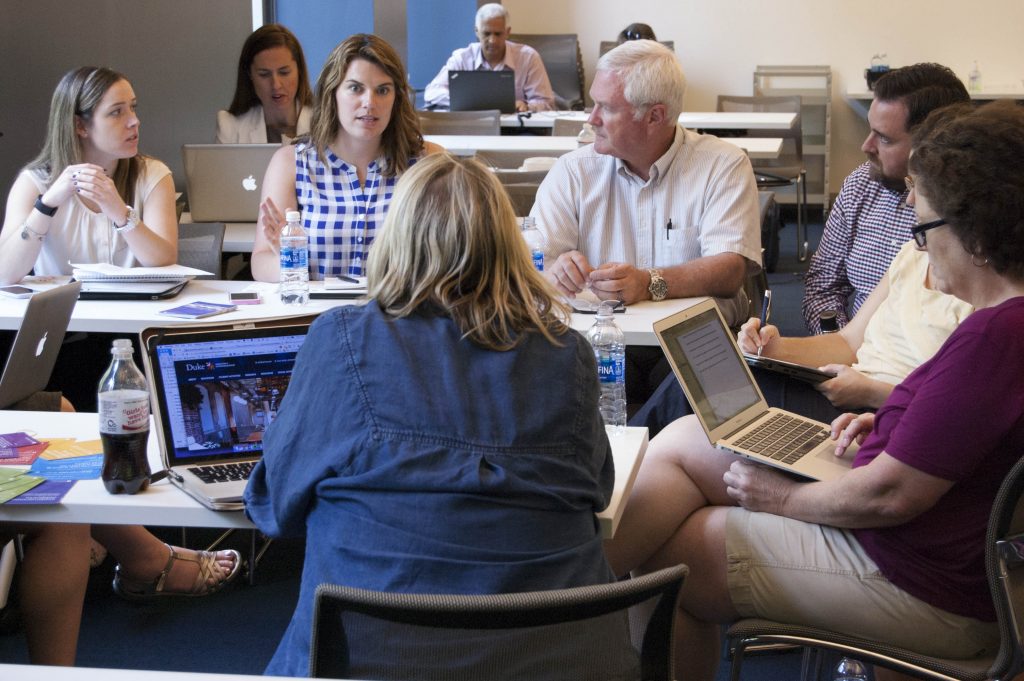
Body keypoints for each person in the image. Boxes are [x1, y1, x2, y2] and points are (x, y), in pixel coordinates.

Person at [604, 100, 1024, 681]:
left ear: (975, 231)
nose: (918, 245)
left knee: (668, 563)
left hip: (927, 580)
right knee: (690, 436)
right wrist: (898, 421)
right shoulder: (1004, 325)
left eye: (923, 228)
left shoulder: (996, 334)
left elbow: (888, 498)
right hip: (949, 551)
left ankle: (550, 593)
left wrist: (777, 497)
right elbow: (972, 432)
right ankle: (562, 584)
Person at [245, 154, 629, 678]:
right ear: (507, 246)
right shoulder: (568, 356)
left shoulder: (341, 342)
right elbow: (597, 491)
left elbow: (274, 506)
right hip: (555, 657)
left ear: (397, 237)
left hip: (373, 659)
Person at [531, 39, 760, 401]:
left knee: (688, 412)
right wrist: (556, 268)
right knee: (554, 389)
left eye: (605, 108)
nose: (590, 119)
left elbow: (730, 270)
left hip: (694, 341)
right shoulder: (574, 171)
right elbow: (533, 260)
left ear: (655, 116)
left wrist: (649, 282)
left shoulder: (722, 165)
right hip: (598, 338)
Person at [632, 240, 974, 436]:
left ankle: (616, 473)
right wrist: (772, 348)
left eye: (917, 186)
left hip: (875, 416)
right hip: (852, 392)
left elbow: (955, 408)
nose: (909, 197)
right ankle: (619, 473)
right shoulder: (913, 253)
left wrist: (873, 391)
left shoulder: (986, 296)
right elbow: (848, 343)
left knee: (710, 384)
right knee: (709, 373)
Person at [252, 34, 442, 283]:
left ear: (396, 98)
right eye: (355, 88)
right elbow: (261, 260)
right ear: (333, 93)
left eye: (383, 90)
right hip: (315, 317)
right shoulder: (291, 162)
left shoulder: (428, 160)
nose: (369, 103)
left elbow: (451, 258)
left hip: (399, 315)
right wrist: (288, 262)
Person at [802, 63, 969, 333]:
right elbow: (823, 286)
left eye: (885, 139)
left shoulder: (967, 215)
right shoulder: (860, 185)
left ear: (933, 143)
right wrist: (837, 344)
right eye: (870, 131)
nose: (866, 146)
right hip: (854, 355)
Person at [0, 66, 178, 286]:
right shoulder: (34, 183)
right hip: (66, 316)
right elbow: (4, 274)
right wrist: (46, 205)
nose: (134, 121)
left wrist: (121, 214)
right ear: (80, 126)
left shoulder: (153, 175)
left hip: (139, 315)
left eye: (133, 108)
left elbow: (165, 262)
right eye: (117, 112)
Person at [423, 3, 555, 113]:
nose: (492, 40)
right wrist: (464, 101)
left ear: (507, 32)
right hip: (473, 127)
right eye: (486, 33)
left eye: (498, 34)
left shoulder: (528, 57)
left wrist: (527, 106)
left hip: (517, 130)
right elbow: (432, 92)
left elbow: (547, 103)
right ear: (476, 31)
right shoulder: (462, 58)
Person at [216, 23, 314, 144]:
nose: (276, 85)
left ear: (299, 70)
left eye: (284, 73)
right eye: (264, 74)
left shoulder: (327, 123)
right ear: (249, 75)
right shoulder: (230, 125)